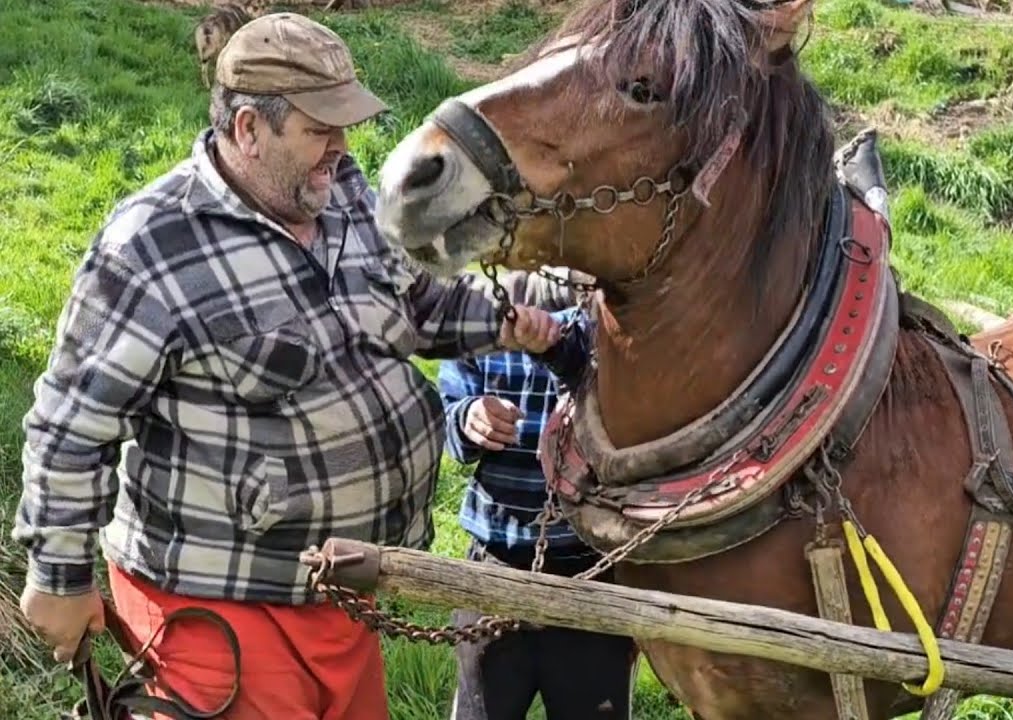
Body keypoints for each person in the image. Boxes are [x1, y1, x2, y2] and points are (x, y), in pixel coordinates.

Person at [11, 12, 564, 720]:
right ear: (248, 129)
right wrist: (58, 576)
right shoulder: (151, 249)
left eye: (345, 126)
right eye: (319, 130)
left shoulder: (344, 201)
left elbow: (417, 306)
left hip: (337, 591)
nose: (341, 147)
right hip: (216, 608)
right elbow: (69, 425)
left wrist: (505, 324)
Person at [439, 285, 637, 720]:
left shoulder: (609, 319)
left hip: (589, 569)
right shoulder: (480, 323)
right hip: (494, 562)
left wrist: (555, 348)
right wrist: (468, 418)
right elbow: (446, 411)